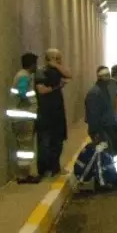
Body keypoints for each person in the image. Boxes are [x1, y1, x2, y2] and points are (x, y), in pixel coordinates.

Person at [85, 66, 117, 186]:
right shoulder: (95, 92)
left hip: (113, 126)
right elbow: (92, 115)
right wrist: (95, 133)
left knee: (116, 155)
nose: (108, 78)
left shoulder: (106, 90)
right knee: (106, 156)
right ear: (100, 77)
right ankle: (105, 181)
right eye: (105, 76)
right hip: (103, 129)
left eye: (108, 75)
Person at [35, 48, 72, 178]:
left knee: (58, 141)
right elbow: (42, 90)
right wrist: (58, 87)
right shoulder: (41, 72)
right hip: (45, 112)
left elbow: (69, 74)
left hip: (57, 112)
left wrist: (56, 66)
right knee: (45, 142)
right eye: (56, 58)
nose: (59, 60)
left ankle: (55, 168)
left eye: (59, 58)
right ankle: (44, 169)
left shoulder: (57, 71)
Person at [6, 53, 41, 184]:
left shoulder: (22, 75)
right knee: (25, 147)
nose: (36, 66)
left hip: (21, 118)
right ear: (31, 64)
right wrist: (27, 102)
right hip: (23, 118)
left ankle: (24, 174)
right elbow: (22, 92)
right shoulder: (24, 76)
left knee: (24, 147)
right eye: (35, 64)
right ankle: (24, 175)